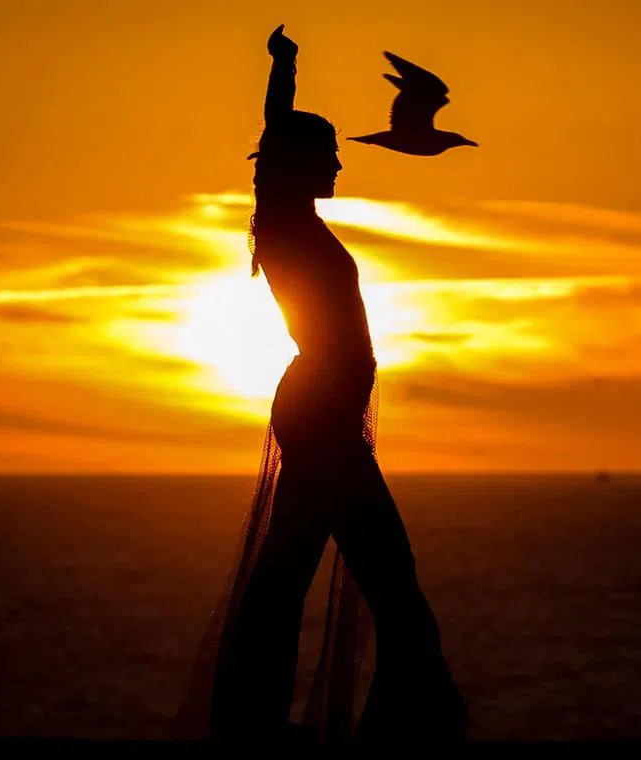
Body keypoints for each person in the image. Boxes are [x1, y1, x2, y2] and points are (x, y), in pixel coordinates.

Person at [175, 25, 468, 747]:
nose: (341, 161)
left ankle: (257, 723)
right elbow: (274, 129)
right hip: (321, 417)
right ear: (298, 163)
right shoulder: (281, 222)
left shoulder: (300, 223)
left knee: (288, 570)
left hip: (324, 412)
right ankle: (407, 724)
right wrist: (284, 67)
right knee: (390, 577)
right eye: (328, 153)